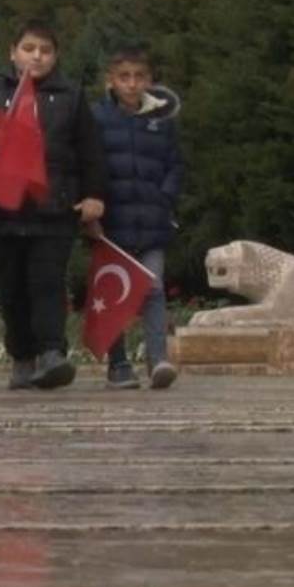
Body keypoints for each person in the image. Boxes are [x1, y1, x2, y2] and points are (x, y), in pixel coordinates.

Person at [0, 20, 107, 390]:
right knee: (12, 287)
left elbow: (89, 150)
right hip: (4, 208)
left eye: (46, 50)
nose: (37, 56)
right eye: (29, 48)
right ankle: (22, 356)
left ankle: (52, 353)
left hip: (54, 205)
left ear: (56, 56)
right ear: (12, 52)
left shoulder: (70, 95)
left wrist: (95, 195)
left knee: (47, 281)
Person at [92, 45, 186, 390]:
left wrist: (165, 197)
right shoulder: (97, 118)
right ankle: (119, 365)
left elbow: (175, 164)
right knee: (113, 292)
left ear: (149, 80)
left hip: (152, 220)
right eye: (124, 77)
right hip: (112, 221)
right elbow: (89, 164)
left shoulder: (161, 121)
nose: (131, 84)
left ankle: (158, 359)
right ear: (111, 81)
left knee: (154, 289)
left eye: (139, 77)